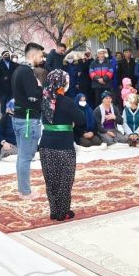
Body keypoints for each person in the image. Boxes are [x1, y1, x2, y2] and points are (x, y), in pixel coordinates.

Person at [39, 70, 85, 221]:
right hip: (64, 145)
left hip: (45, 145)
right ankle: (63, 212)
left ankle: (54, 211)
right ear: (62, 83)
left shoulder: (44, 100)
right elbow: (81, 120)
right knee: (65, 180)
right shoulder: (66, 101)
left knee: (51, 180)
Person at [12, 42, 45, 200]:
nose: (42, 58)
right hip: (27, 119)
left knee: (22, 156)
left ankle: (22, 189)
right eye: (40, 55)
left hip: (20, 117)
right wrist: (40, 87)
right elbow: (33, 96)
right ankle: (25, 192)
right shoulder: (26, 72)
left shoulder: (19, 69)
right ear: (33, 55)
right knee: (25, 157)